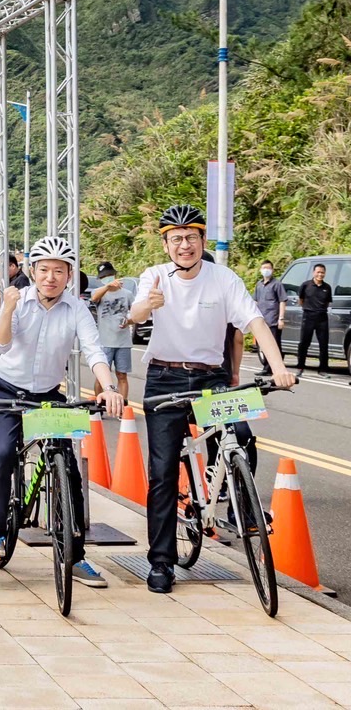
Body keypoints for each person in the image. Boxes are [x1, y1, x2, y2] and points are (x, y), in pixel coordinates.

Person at [127, 204, 296, 594]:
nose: (184, 245)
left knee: (240, 434)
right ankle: (162, 562)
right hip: (164, 377)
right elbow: (135, 313)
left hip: (211, 379)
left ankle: (241, 504)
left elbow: (254, 323)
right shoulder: (155, 278)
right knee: (163, 473)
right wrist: (144, 308)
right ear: (166, 244)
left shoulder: (224, 278)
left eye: (191, 237)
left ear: (203, 241)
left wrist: (278, 368)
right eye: (176, 239)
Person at [0, 236, 124, 586]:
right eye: (44, 270)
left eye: (59, 271)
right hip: (6, 389)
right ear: (32, 272)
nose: (51, 277)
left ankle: (75, 555)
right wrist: (9, 308)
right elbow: (0, 343)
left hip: (47, 394)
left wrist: (108, 388)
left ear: (70, 275)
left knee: (68, 466)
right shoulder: (19, 300)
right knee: (2, 453)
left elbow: (93, 351)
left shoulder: (75, 308)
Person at [90, 262, 136, 401]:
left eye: (110, 275)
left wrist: (128, 321)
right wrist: (107, 287)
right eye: (105, 277)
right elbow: (94, 298)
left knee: (122, 375)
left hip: (123, 342)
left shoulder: (127, 294)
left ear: (115, 275)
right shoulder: (99, 293)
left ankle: (122, 405)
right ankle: (99, 404)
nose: (108, 278)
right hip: (105, 342)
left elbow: (136, 315)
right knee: (101, 376)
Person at [296, 262, 332, 372]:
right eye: (318, 272)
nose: (320, 275)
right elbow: (301, 301)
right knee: (304, 343)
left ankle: (323, 369)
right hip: (308, 316)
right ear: (314, 273)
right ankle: (301, 367)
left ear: (325, 273)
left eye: (322, 272)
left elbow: (327, 303)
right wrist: (309, 308)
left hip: (322, 317)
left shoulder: (327, 287)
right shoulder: (306, 285)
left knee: (324, 344)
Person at [252, 260, 286, 354]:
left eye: (268, 268)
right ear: (260, 270)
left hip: (273, 321)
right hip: (262, 320)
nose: (266, 270)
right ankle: (266, 366)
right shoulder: (259, 285)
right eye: (264, 268)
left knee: (274, 344)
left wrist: (281, 319)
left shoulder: (277, 284)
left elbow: (282, 301)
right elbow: (255, 301)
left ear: (272, 270)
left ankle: (271, 367)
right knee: (263, 344)